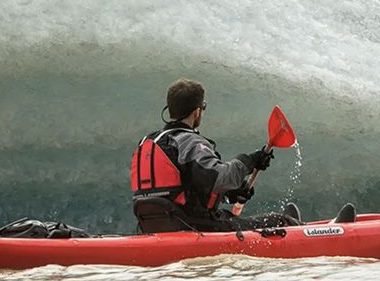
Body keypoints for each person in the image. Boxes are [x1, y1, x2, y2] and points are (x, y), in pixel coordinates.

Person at [130, 78, 303, 233]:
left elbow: (187, 188)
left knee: (228, 217)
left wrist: (232, 193)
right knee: (278, 221)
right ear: (197, 112)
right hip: (193, 227)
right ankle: (294, 226)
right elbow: (221, 177)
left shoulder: (149, 142)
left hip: (153, 226)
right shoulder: (188, 141)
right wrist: (250, 160)